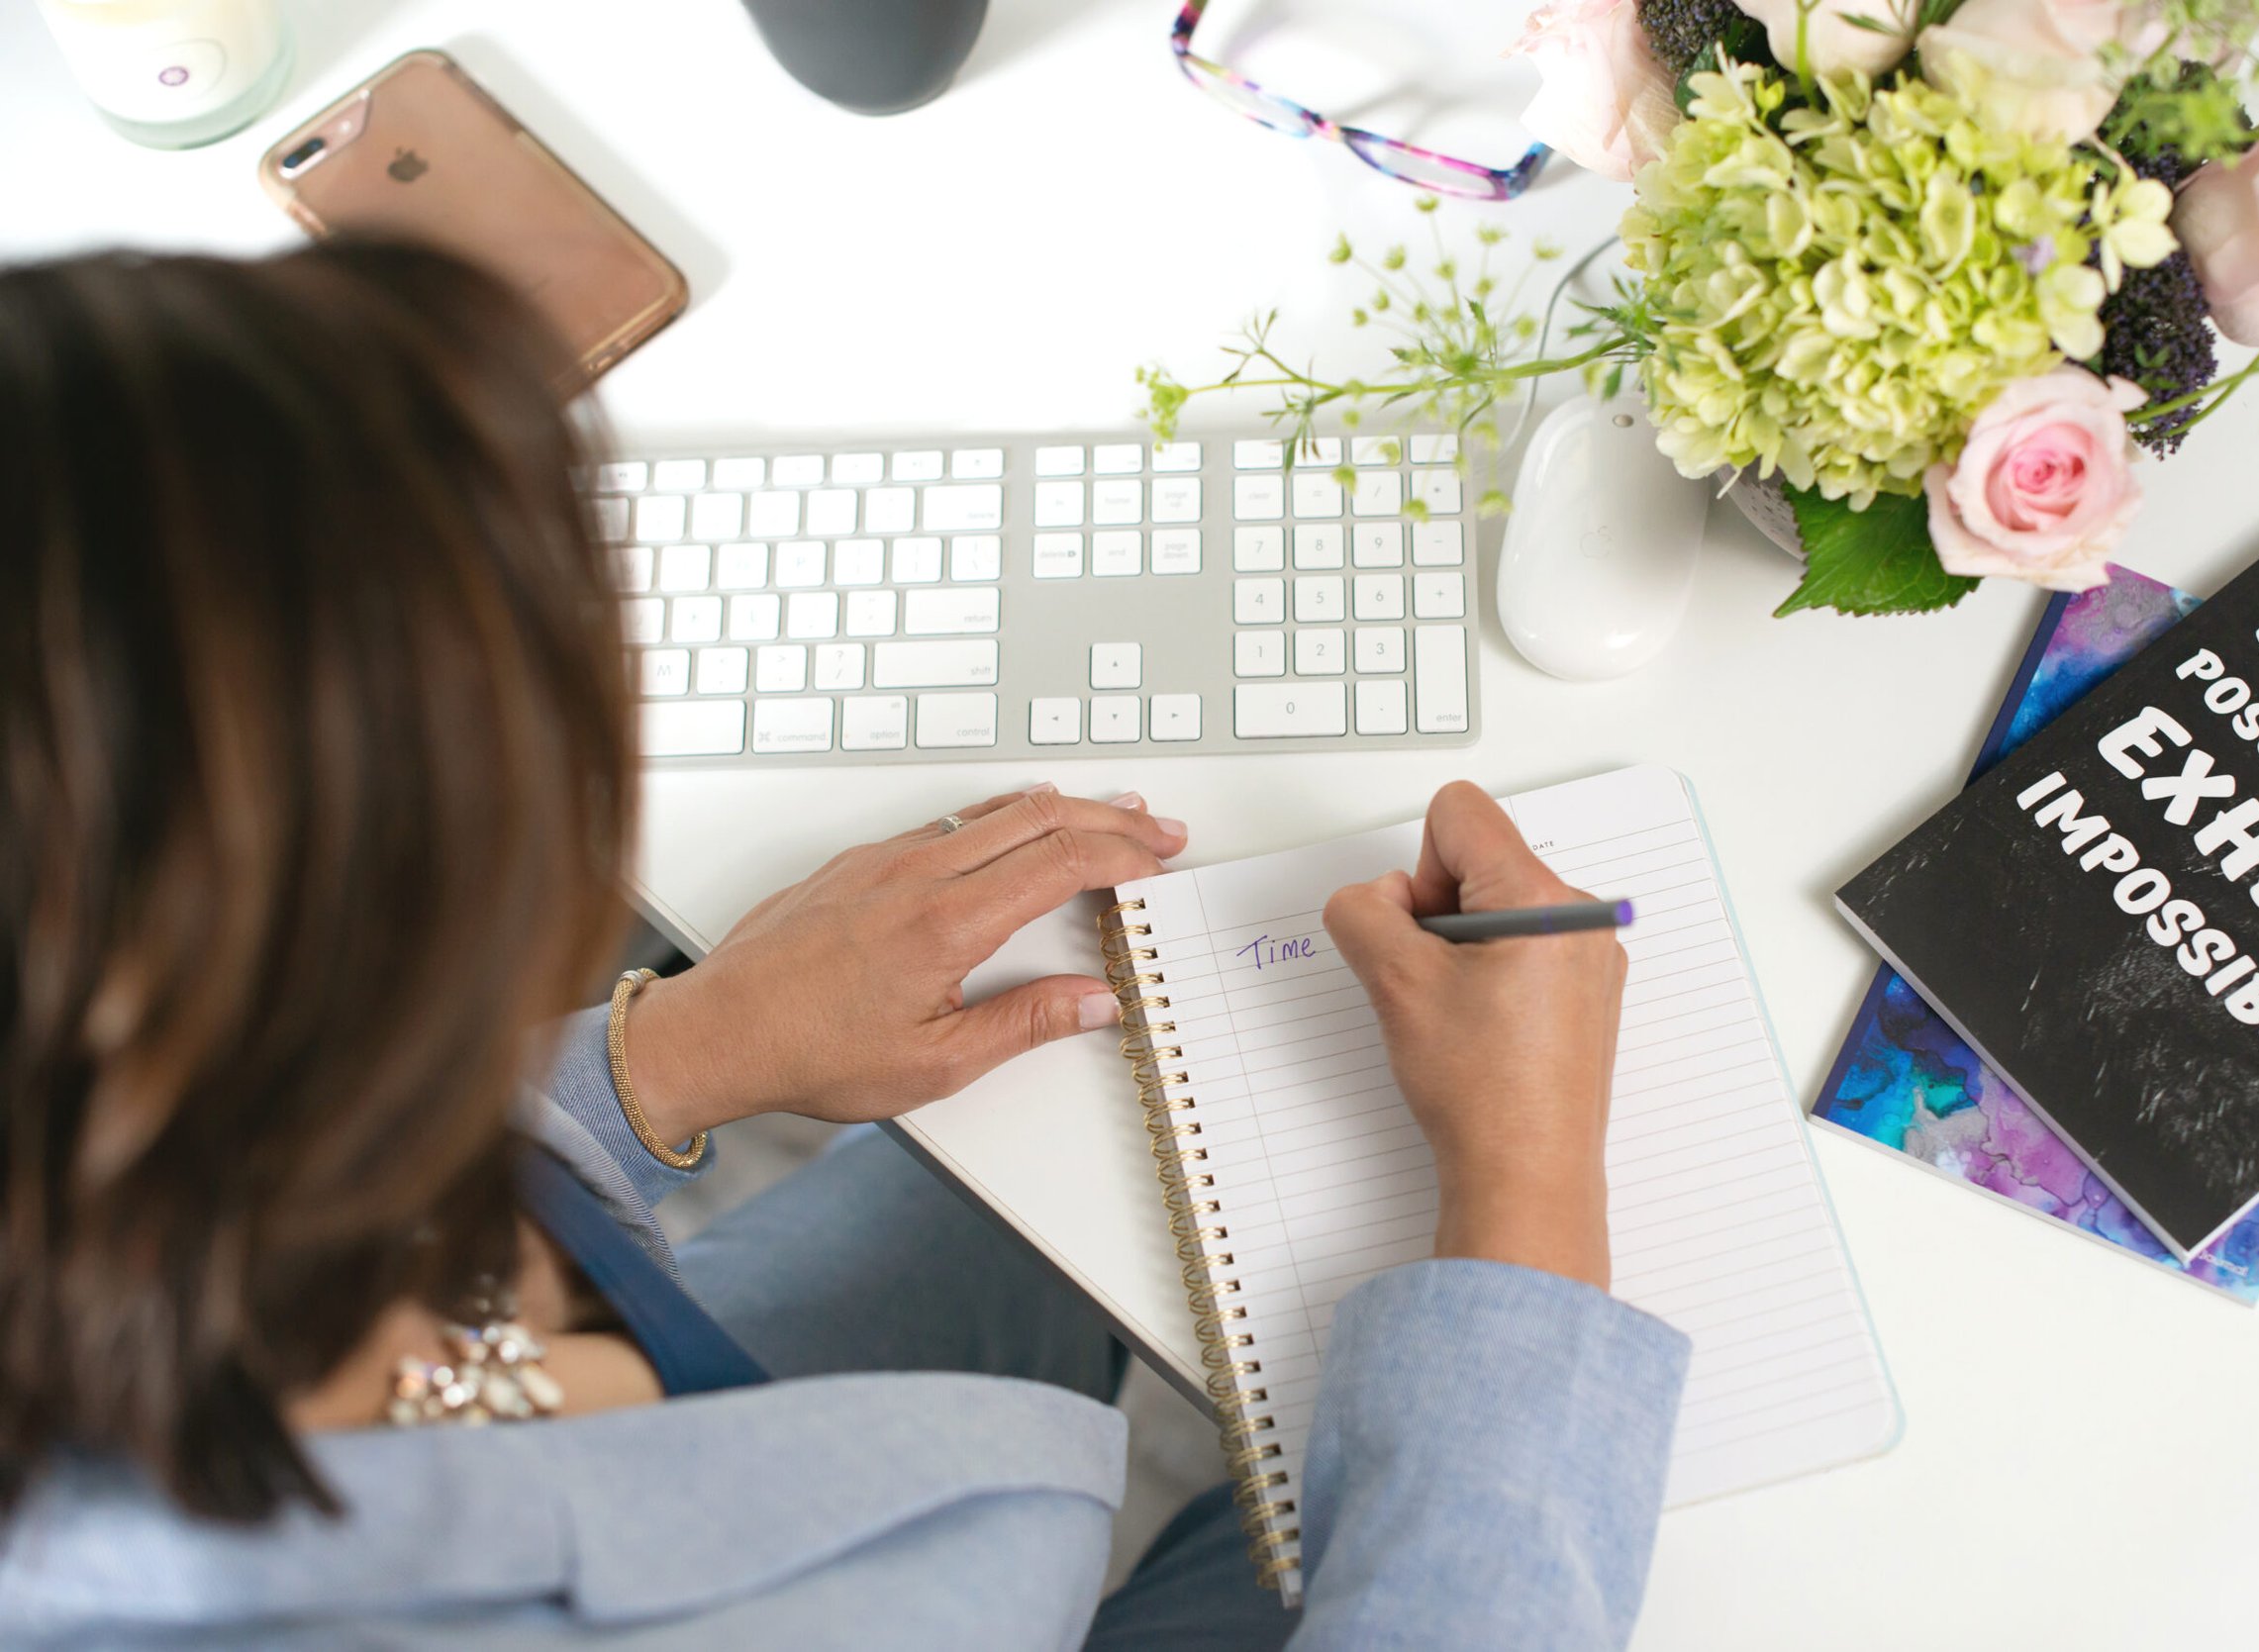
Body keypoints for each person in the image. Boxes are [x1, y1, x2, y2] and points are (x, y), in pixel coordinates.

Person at [0, 243, 1690, 1650]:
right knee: (1378, 1499)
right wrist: (1530, 1186)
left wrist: (679, 1049)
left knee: (1047, 1153)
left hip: (582, 1395)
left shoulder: (112, 1139)